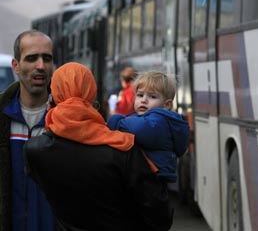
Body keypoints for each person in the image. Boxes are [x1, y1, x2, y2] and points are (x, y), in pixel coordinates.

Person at [23, 62, 173, 230]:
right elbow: (160, 216)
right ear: (91, 94)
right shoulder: (123, 147)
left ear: (54, 96)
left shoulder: (34, 150)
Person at [0, 30, 55, 230]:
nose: (40, 66)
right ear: (16, 65)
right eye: (32, 58)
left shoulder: (70, 120)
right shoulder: (3, 115)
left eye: (47, 58)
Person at [107, 71, 189, 183]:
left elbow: (138, 129)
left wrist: (115, 120)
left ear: (166, 105)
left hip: (151, 180)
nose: (144, 100)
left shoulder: (159, 121)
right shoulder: (151, 118)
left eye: (152, 96)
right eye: (140, 95)